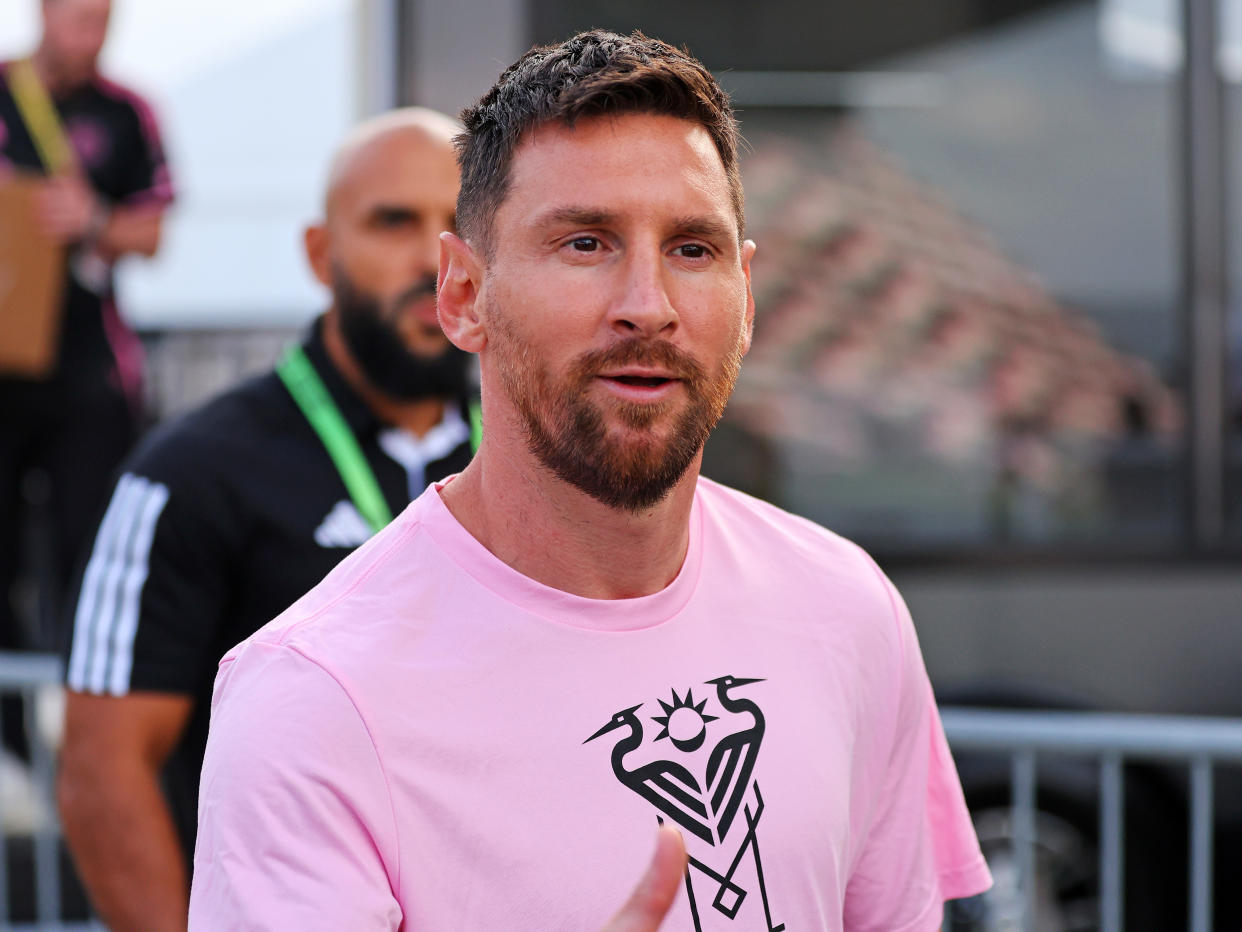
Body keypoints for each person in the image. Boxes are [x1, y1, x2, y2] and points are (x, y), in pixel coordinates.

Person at [189, 31, 992, 931]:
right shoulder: (314, 702)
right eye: (585, 242)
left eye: (693, 249)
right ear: (462, 295)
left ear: (747, 293)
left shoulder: (849, 609)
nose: (647, 304)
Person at [57, 107, 477, 932]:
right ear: (321, 254)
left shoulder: (542, 461)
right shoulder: (184, 475)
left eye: (462, 225)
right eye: (394, 221)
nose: (436, 258)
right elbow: (102, 770)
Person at [0, 0, 172, 745]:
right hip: (6, 367)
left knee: (91, 552)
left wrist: (92, 221)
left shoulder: (127, 112)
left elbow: (153, 231)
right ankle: (9, 746)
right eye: (78, 16)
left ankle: (85, 738)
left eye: (102, 19)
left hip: (88, 374)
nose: (90, 33)